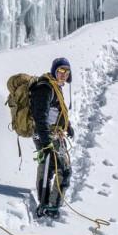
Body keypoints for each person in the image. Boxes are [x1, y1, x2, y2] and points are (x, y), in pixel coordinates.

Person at [31, 57, 73, 219]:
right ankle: (52, 206)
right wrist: (46, 140)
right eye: (60, 71)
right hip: (47, 134)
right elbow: (39, 116)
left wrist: (67, 127)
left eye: (66, 71)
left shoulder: (55, 87)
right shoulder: (46, 88)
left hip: (50, 133)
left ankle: (46, 202)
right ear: (55, 71)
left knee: (48, 167)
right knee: (64, 170)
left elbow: (57, 111)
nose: (63, 74)